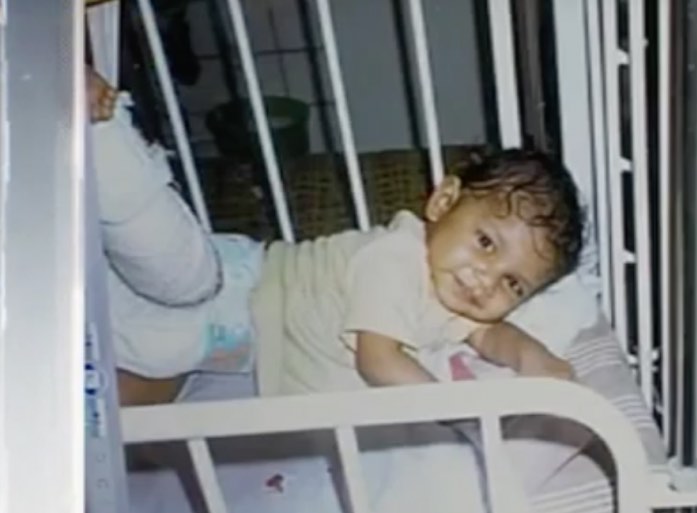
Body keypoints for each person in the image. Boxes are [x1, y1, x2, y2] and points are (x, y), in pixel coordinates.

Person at [86, 67, 583, 405]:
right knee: (170, 269)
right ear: (443, 202)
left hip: (233, 345)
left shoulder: (456, 294)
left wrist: (537, 360)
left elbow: (492, 335)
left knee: (133, 392)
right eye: (486, 243)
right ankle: (101, 129)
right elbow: (379, 360)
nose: (485, 279)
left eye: (513, 284)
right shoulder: (397, 257)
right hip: (234, 289)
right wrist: (460, 413)